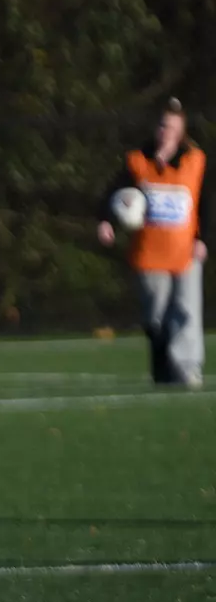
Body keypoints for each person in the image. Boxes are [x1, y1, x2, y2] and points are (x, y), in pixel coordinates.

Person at [98, 97, 206, 388]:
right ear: (155, 127)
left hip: (185, 250)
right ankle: (163, 369)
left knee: (187, 310)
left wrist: (204, 238)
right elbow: (114, 192)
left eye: (172, 125)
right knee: (156, 316)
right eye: (162, 124)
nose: (166, 130)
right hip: (149, 253)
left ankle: (187, 368)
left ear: (181, 128)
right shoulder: (137, 160)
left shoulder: (195, 159)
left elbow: (207, 202)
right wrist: (106, 220)